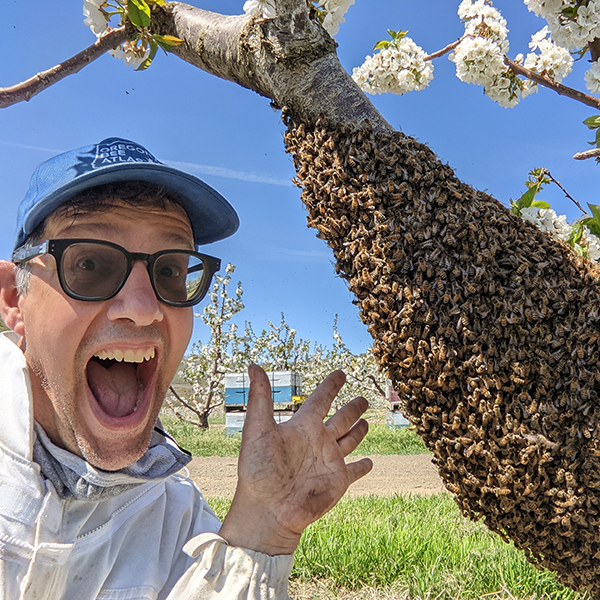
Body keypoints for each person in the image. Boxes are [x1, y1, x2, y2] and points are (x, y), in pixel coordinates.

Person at [0, 137, 373, 599]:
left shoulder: (178, 519)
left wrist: (262, 527)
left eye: (170, 272)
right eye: (90, 264)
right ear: (14, 300)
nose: (143, 309)